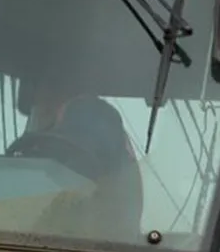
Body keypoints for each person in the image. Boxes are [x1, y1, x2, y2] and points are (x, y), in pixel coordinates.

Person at [9, 73, 144, 233]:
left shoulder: (98, 132)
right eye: (39, 110)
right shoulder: (32, 161)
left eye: (46, 108)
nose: (41, 117)